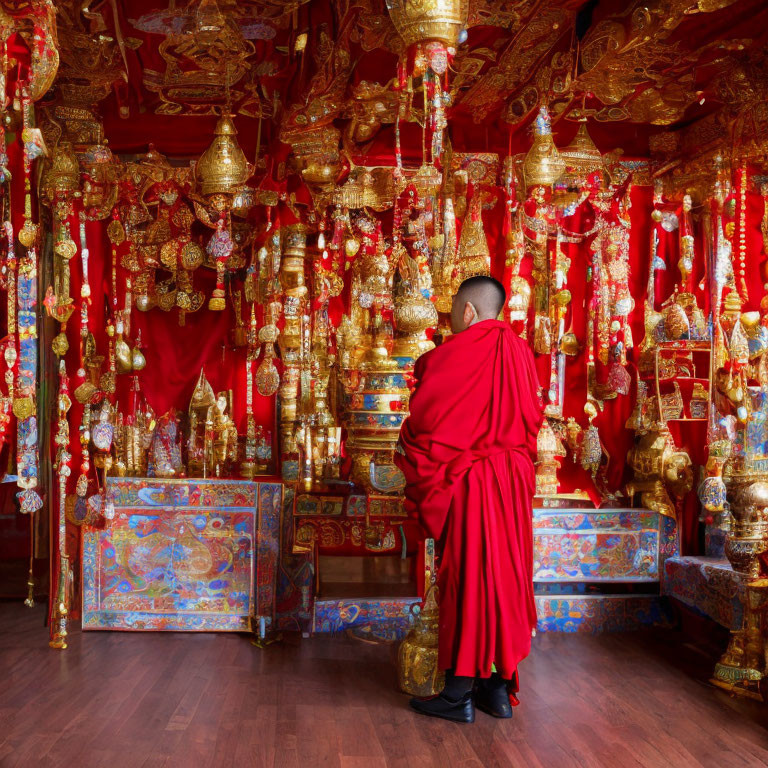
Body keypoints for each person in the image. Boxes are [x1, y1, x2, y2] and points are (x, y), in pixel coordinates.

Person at [395, 275, 543, 724]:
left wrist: (406, 439)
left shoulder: (456, 351)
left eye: (453, 312)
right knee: (507, 577)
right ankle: (496, 689)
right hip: (515, 479)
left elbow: (427, 420)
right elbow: (531, 419)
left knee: (469, 579)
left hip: (473, 480)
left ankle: (458, 692)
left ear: (468, 312)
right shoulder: (520, 352)